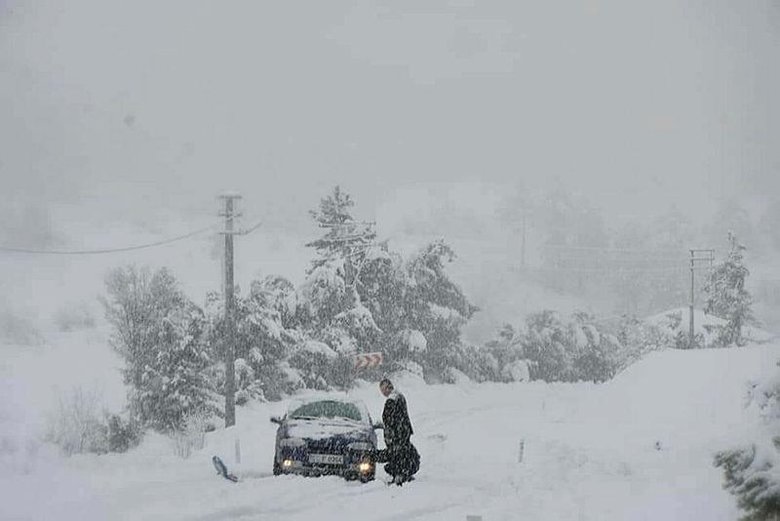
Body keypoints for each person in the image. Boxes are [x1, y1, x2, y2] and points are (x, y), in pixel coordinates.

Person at [378, 378, 419, 485]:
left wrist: (389, 432)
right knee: (403, 453)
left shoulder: (391, 400)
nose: (382, 393)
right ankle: (404, 472)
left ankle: (399, 475)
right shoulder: (400, 396)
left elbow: (388, 419)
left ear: (387, 388)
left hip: (397, 434)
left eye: (382, 390)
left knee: (396, 455)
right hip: (404, 431)